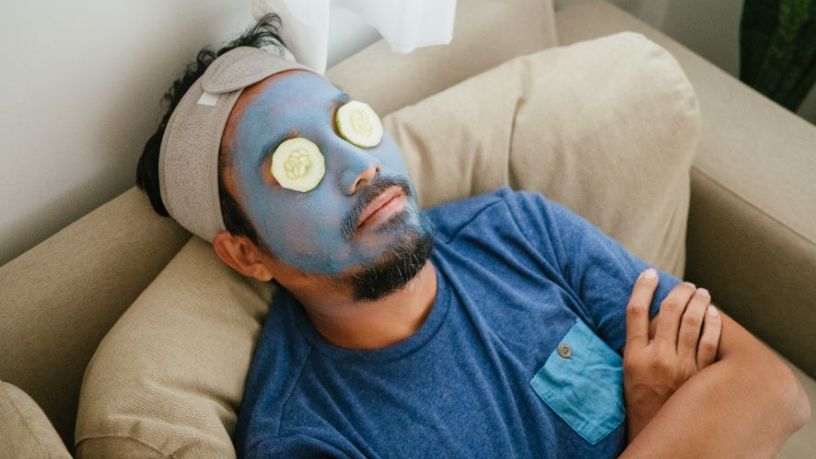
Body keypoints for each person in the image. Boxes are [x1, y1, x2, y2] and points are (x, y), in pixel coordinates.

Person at [136, 14, 810, 458]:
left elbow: (770, 390)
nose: (359, 166)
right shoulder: (310, 437)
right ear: (246, 253)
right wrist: (648, 420)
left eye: (349, 123)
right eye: (297, 165)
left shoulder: (517, 226)